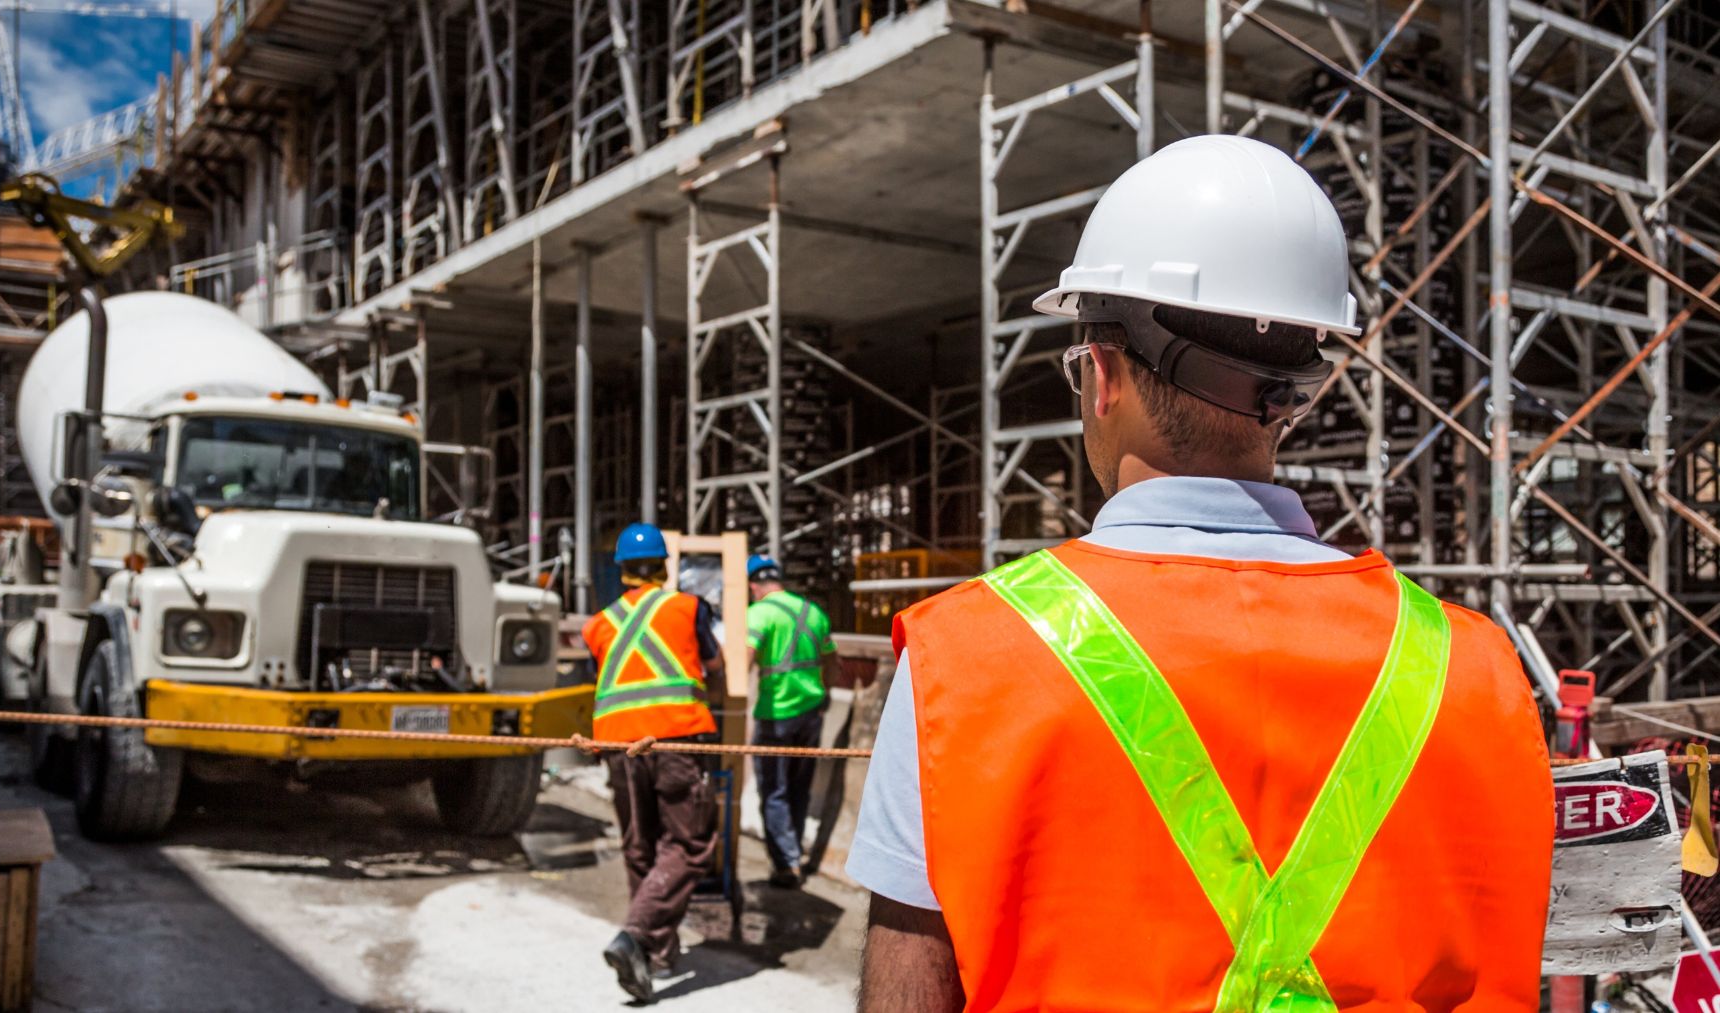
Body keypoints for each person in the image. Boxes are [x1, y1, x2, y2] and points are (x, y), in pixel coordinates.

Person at [848, 135, 1554, 1011]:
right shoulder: (1476, 667)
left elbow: (908, 992)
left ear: (1100, 375)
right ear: (1291, 393)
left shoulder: (963, 662)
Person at [581, 522, 724, 1004]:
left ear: (621, 571)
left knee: (641, 845)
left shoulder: (597, 624)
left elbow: (602, 680)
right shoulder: (687, 608)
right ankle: (637, 936)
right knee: (691, 844)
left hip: (619, 747)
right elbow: (716, 664)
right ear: (665, 567)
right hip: (674, 738)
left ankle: (656, 953)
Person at [743, 554, 841, 888]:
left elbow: (743, 661)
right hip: (811, 714)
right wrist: (822, 694)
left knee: (773, 790)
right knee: (799, 788)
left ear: (753, 585)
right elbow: (832, 662)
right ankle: (794, 852)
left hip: (775, 716)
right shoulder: (812, 612)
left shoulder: (759, 613)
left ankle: (786, 865)